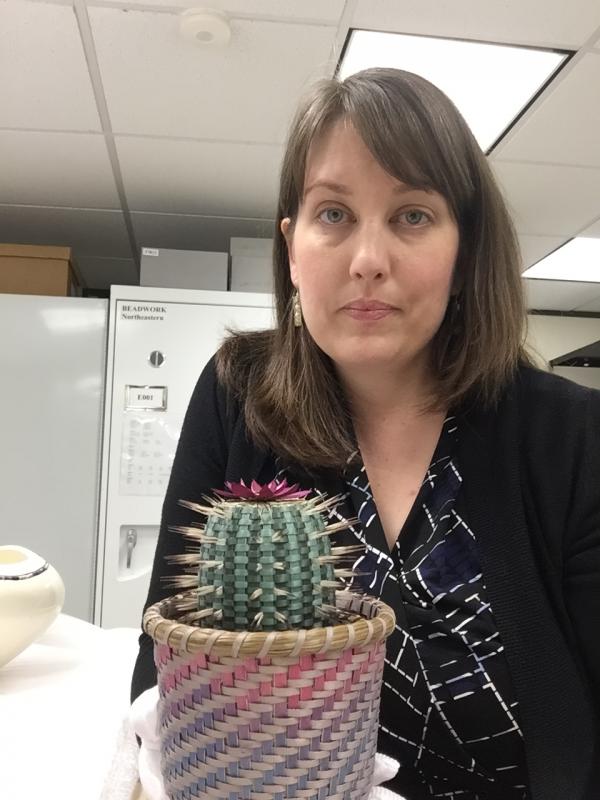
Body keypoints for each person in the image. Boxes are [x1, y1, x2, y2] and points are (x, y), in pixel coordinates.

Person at [130, 68, 600, 799]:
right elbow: (167, 661)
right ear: (292, 246)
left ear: (465, 249)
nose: (368, 261)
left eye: (412, 215)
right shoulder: (236, 397)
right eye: (333, 215)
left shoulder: (571, 439)